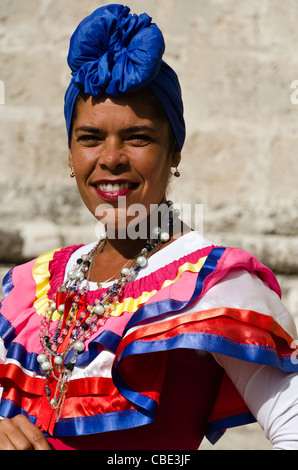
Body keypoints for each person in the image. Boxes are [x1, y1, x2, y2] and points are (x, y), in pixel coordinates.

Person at [1, 4, 298, 451]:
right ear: (69, 155)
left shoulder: (217, 284)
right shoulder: (28, 288)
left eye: (138, 137)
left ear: (174, 153)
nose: (111, 158)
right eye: (90, 138)